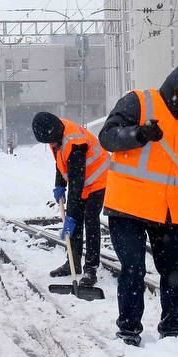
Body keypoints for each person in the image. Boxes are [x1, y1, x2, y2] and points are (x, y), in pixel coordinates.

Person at [99, 59, 178, 347]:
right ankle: (128, 331)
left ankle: (174, 330)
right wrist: (139, 134)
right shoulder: (139, 103)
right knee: (133, 269)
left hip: (165, 209)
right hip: (127, 206)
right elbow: (107, 137)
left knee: (175, 271)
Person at [32, 112, 109, 287]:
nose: (50, 145)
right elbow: (60, 163)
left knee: (89, 220)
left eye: (51, 141)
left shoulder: (75, 145)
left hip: (97, 180)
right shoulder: (57, 134)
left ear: (56, 133)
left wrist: (72, 216)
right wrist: (59, 185)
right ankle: (72, 264)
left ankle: (91, 269)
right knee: (74, 222)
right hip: (81, 179)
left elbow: (76, 183)